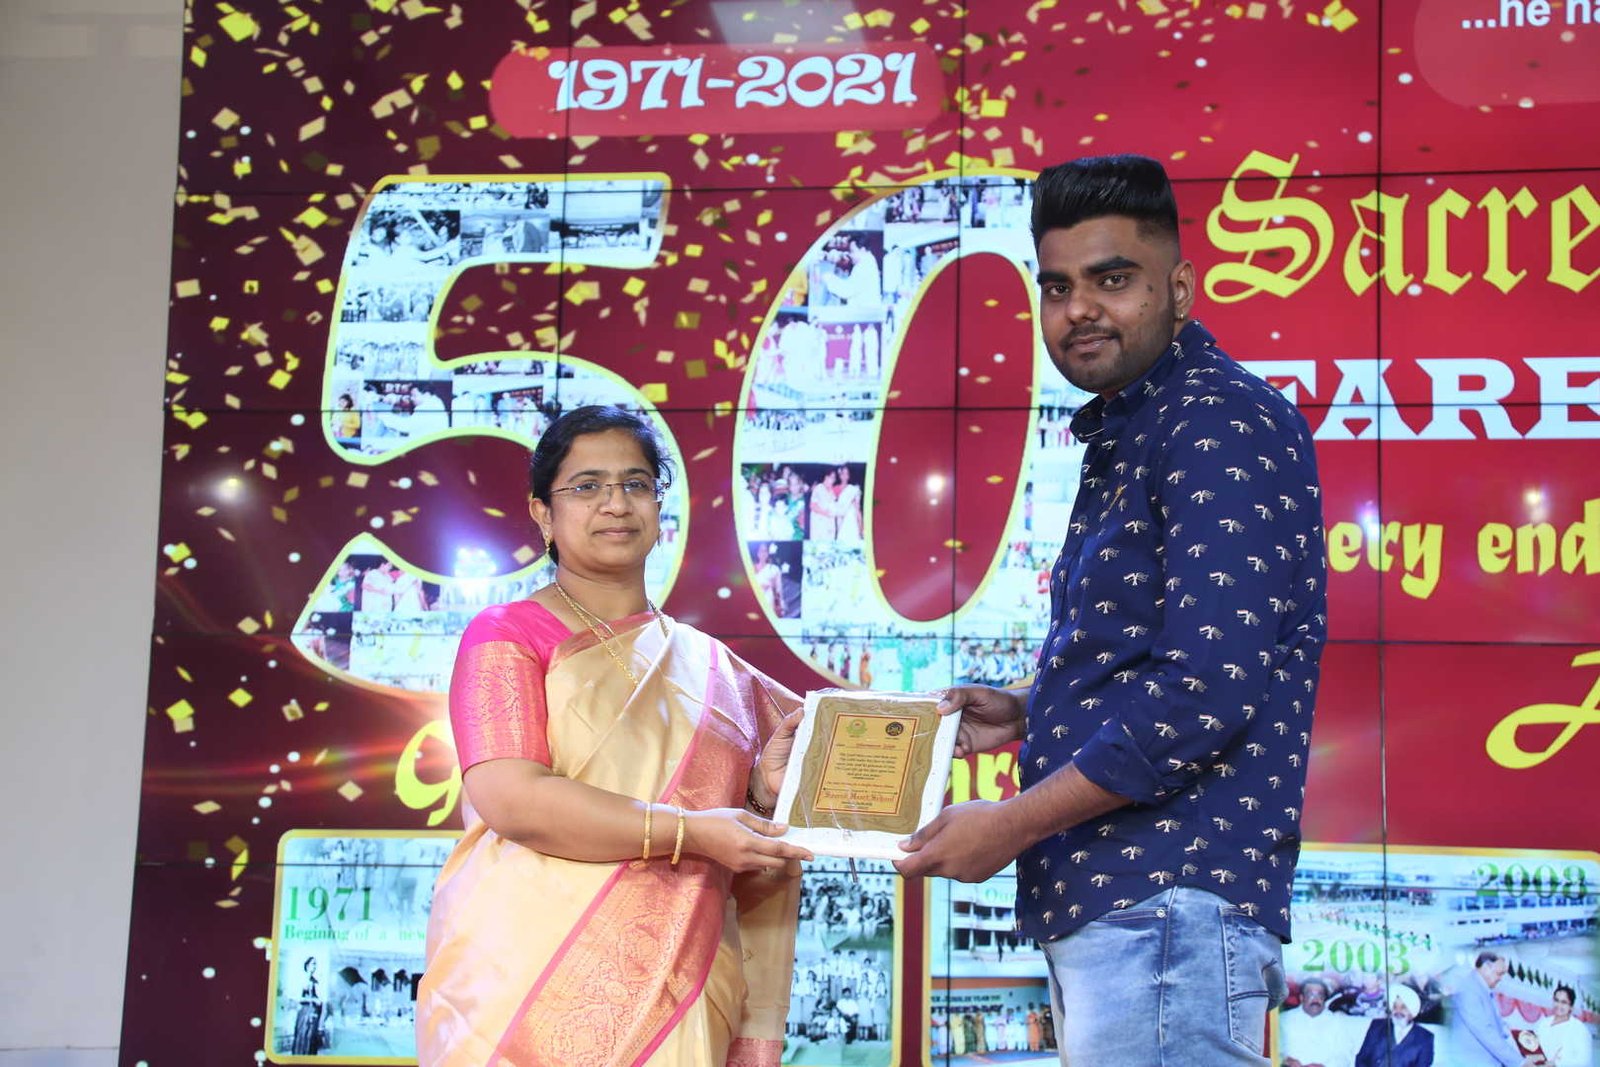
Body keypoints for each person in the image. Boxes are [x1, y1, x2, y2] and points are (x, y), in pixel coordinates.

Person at [894, 154, 1329, 1067]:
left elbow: (1204, 686)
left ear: (1181, 289)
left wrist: (1010, 823)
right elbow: (1166, 652)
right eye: (1057, 287)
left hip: (1164, 902)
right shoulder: (1144, 423)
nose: (1079, 309)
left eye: (1113, 279)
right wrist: (1029, 707)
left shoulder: (1212, 420)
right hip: (1136, 908)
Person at [416, 405, 814, 1066]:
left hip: (678, 984)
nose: (616, 503)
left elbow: (747, 818)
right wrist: (693, 832)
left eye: (636, 484)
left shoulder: (714, 668)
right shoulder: (506, 635)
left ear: (659, 506)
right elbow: (512, 799)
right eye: (587, 486)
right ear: (543, 512)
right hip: (523, 983)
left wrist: (763, 795)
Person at [1449, 952, 1544, 1066]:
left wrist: (1524, 1051)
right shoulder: (1469, 989)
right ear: (1486, 967)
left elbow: (1500, 1029)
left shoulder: (1483, 989)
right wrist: (1520, 1062)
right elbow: (1485, 1032)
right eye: (1499, 974)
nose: (1500, 979)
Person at [1282, 978, 1358, 1067]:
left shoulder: (1337, 1021)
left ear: (1324, 999)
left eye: (1320, 995)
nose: (1316, 999)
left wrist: (1325, 1066)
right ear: (1301, 998)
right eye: (1310, 994)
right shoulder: (1284, 1019)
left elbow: (1345, 1055)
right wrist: (1286, 1060)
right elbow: (1274, 1049)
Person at [1354, 984, 1434, 1067]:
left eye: (1403, 1007)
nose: (1398, 1011)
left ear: (1412, 1011)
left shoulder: (1425, 1038)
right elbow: (1361, 1059)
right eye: (1395, 1006)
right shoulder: (1377, 1026)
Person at [1535, 985, 1591, 1066]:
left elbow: (1584, 1062)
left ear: (1571, 1007)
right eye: (1556, 1000)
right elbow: (1535, 1048)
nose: (1559, 1005)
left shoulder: (1579, 1029)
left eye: (1564, 1002)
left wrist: (1556, 1064)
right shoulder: (1544, 1023)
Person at [289, 956, 325, 1054]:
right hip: (304, 1013)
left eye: (315, 964)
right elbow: (296, 997)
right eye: (313, 964)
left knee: (311, 1038)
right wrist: (312, 999)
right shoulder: (302, 979)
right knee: (303, 1036)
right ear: (307, 965)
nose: (315, 966)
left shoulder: (315, 981)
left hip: (314, 1013)